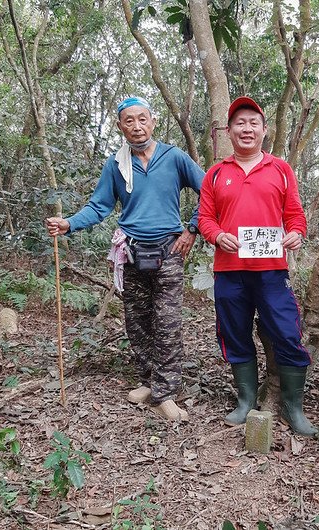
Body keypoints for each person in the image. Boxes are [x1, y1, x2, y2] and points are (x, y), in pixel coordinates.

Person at [46, 96, 204, 421]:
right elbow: (99, 206)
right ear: (120, 126)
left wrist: (192, 228)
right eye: (129, 120)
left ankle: (165, 393)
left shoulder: (174, 157)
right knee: (138, 322)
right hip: (131, 252)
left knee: (168, 322)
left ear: (153, 121)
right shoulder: (116, 164)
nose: (136, 126)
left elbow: (212, 190)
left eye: (142, 118)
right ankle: (148, 380)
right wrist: (68, 223)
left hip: (170, 250)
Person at [197, 96, 316, 437]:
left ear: (265, 130)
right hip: (229, 271)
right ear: (228, 130)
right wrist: (218, 235)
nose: (246, 129)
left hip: (271, 271)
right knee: (234, 333)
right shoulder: (216, 174)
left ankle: (294, 406)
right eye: (240, 123)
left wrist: (296, 233)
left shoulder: (280, 169)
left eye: (253, 123)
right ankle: (246, 400)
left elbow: (295, 214)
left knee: (288, 333)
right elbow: (205, 218)